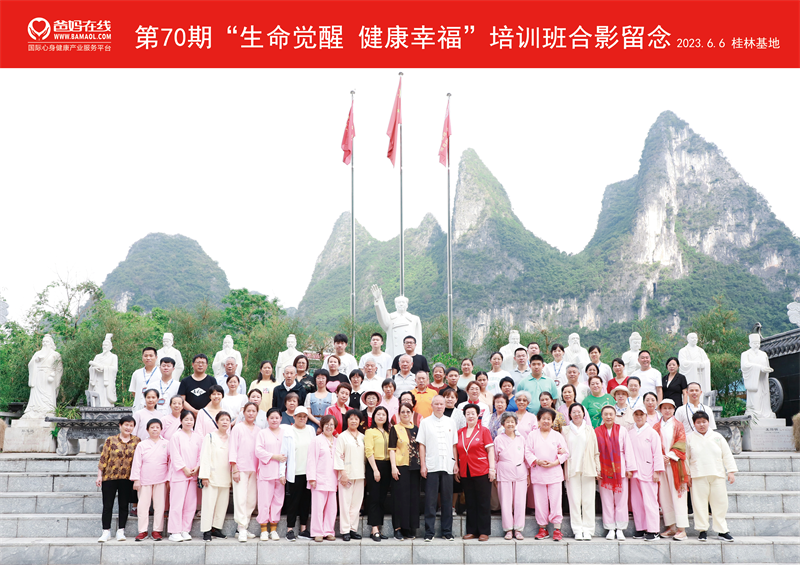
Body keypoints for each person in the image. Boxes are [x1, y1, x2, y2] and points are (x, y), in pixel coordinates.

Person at [686, 411, 738, 542]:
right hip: (698, 475)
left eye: (704, 422)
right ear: (694, 424)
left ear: (708, 422)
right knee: (699, 504)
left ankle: (722, 530)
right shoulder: (689, 438)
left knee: (720, 503)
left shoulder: (717, 437)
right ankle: (702, 530)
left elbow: (727, 454)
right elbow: (685, 459)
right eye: (698, 422)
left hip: (717, 473)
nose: (702, 425)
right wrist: (687, 475)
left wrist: (731, 471)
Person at [418, 396, 459, 542]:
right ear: (432, 405)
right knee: (430, 500)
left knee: (447, 500)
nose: (439, 406)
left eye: (441, 404)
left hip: (447, 465)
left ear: (445, 405)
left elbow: (454, 445)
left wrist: (456, 463)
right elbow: (421, 445)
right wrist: (423, 465)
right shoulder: (425, 422)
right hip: (431, 465)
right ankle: (429, 532)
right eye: (436, 404)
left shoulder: (451, 422)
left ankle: (447, 532)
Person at [525, 407, 569, 541]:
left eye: (549, 419)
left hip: (554, 473)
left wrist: (555, 462)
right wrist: (537, 461)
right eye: (543, 418)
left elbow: (566, 453)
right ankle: (542, 528)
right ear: (538, 420)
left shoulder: (557, 436)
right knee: (540, 502)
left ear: (553, 421)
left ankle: (557, 529)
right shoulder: (532, 435)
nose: (546, 421)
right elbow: (527, 452)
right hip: (538, 473)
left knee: (555, 501)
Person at [96, 415, 141, 543]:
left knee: (123, 505)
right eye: (126, 425)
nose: (128, 427)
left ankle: (121, 530)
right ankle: (106, 531)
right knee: (107, 505)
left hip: (126, 478)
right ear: (120, 425)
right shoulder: (111, 440)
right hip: (109, 477)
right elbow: (103, 458)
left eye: (131, 425)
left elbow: (138, 460)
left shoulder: (137, 441)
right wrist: (99, 475)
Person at [456, 403, 495, 541]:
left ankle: (484, 531)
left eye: (473, 413)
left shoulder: (484, 431)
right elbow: (457, 451)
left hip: (481, 470)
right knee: (470, 502)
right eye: (468, 414)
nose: (470, 416)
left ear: (478, 415)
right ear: (464, 416)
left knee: (483, 502)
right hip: (465, 471)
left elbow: (490, 450)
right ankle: (472, 531)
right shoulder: (460, 432)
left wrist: (492, 469)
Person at [596, 405, 636, 540]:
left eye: (611, 414)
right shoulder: (597, 431)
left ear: (615, 416)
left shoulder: (622, 430)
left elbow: (628, 449)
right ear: (602, 416)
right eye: (605, 414)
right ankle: (610, 528)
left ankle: (620, 528)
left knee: (621, 500)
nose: (608, 417)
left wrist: (629, 468)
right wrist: (597, 469)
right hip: (604, 469)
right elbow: (595, 452)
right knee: (606, 500)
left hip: (620, 469)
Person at [653, 399, 690, 541]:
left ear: (674, 409)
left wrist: (669, 456)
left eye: (670, 408)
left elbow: (681, 442)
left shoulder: (678, 425)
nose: (667, 410)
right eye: (664, 408)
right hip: (661, 465)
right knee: (665, 496)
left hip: (675, 464)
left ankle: (682, 529)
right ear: (660, 410)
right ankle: (671, 527)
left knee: (678, 495)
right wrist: (660, 456)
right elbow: (653, 444)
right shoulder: (656, 426)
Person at [562, 403, 600, 541]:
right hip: (572, 469)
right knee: (574, 501)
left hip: (588, 469)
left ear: (584, 414)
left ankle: (588, 530)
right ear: (570, 414)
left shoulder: (589, 429)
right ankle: (577, 530)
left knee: (588, 501)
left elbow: (596, 451)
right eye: (574, 412)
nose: (577, 414)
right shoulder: (565, 430)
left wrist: (598, 468)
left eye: (579, 412)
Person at [628, 406, 665, 541]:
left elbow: (657, 453)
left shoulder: (652, 433)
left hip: (649, 471)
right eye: (636, 414)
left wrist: (656, 471)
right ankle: (641, 528)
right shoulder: (630, 433)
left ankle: (653, 530)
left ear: (646, 416)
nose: (639, 417)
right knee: (636, 502)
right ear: (633, 416)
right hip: (634, 472)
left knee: (650, 501)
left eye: (641, 414)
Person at [167, 410, 202, 542]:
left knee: (190, 504)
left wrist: (197, 467)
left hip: (193, 475)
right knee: (177, 503)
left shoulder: (198, 437)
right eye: (186, 419)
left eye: (191, 419)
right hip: (179, 475)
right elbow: (174, 455)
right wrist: (184, 468)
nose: (189, 422)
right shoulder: (176, 436)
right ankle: (174, 531)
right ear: (181, 421)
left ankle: (185, 529)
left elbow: (201, 454)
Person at [131, 418, 169, 541]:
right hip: (144, 479)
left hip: (161, 478)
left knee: (160, 506)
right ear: (147, 430)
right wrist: (136, 479)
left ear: (161, 429)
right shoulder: (142, 445)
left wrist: (169, 479)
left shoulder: (167, 443)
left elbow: (170, 462)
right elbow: (137, 463)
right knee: (143, 506)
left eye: (157, 427)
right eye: (152, 427)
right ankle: (142, 531)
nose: (155, 429)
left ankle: (157, 530)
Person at [389, 402, 422, 540]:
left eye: (408, 411)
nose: (405, 414)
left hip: (414, 468)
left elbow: (421, 448)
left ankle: (408, 528)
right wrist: (393, 467)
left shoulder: (417, 429)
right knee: (399, 498)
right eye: (402, 411)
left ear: (412, 413)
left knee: (413, 499)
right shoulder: (395, 428)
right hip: (400, 467)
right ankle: (398, 528)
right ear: (399, 414)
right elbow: (392, 449)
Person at [282, 406, 316, 541]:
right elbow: (284, 453)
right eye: (299, 416)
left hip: (309, 472)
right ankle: (290, 529)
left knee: (305, 501)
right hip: (295, 472)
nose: (302, 418)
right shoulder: (288, 431)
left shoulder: (311, 430)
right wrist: (281, 473)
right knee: (293, 502)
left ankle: (303, 529)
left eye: (304, 416)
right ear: (294, 417)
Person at [255, 408, 289, 541]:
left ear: (281, 419)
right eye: (272, 418)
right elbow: (258, 451)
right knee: (264, 500)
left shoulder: (285, 433)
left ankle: (273, 529)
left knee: (278, 500)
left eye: (277, 418)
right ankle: (264, 529)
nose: (274, 420)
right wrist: (274, 456)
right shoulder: (262, 433)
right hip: (266, 471)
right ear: (267, 419)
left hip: (280, 473)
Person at [199, 411, 232, 542]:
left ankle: (216, 528)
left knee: (222, 504)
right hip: (211, 476)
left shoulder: (231, 438)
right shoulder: (210, 437)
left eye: (227, 420)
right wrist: (204, 476)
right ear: (217, 422)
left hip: (226, 476)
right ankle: (206, 530)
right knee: (208, 504)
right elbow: (205, 456)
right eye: (222, 420)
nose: (225, 422)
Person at [229, 402, 260, 542]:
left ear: (257, 413)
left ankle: (243, 527)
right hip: (240, 468)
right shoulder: (237, 428)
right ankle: (242, 528)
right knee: (240, 498)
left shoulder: (259, 430)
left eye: (254, 411)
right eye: (248, 411)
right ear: (244, 412)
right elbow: (232, 448)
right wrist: (234, 468)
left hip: (255, 468)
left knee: (251, 500)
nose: (251, 413)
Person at [494, 412, 527, 540]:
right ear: (503, 424)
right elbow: (495, 458)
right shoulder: (498, 439)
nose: (510, 424)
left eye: (512, 421)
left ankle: (518, 529)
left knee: (520, 502)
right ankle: (508, 529)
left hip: (520, 473)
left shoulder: (521, 438)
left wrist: (528, 474)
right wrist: (495, 474)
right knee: (506, 502)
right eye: (507, 421)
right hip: (504, 473)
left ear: (516, 423)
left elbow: (526, 457)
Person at [335, 410, 366, 541]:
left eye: (356, 419)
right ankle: (345, 530)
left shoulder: (363, 437)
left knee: (356, 504)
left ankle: (353, 529)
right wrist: (343, 474)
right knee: (345, 504)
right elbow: (338, 455)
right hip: (346, 475)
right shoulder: (342, 436)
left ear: (360, 421)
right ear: (347, 420)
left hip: (360, 475)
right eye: (351, 418)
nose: (354, 421)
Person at [307, 415, 338, 542]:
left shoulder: (337, 441)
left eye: (331, 424)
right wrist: (312, 478)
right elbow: (311, 460)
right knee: (318, 507)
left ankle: (329, 531)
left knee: (331, 508)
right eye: (327, 424)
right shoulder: (316, 440)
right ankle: (317, 532)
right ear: (322, 426)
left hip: (333, 479)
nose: (329, 427)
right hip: (319, 478)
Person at [364, 406, 392, 542]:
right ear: (374, 417)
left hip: (387, 465)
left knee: (382, 498)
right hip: (374, 465)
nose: (381, 417)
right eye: (378, 414)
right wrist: (375, 469)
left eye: (383, 414)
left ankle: (377, 529)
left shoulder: (388, 432)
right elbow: (369, 450)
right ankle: (374, 528)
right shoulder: (370, 432)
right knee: (374, 497)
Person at [89, 334, 118, 407]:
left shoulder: (113, 357)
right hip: (97, 380)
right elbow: (91, 368)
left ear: (110, 347)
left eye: (106, 345)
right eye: (103, 345)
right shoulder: (97, 356)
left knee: (105, 401)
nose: (104, 346)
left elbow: (114, 369)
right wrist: (94, 368)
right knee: (97, 397)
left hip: (106, 381)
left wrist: (104, 368)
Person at [130, 347, 161, 413]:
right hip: (138, 408)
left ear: (156, 357)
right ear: (142, 357)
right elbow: (134, 391)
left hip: (156, 409)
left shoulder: (161, 373)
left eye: (151, 356)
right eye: (145, 356)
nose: (148, 358)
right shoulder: (137, 373)